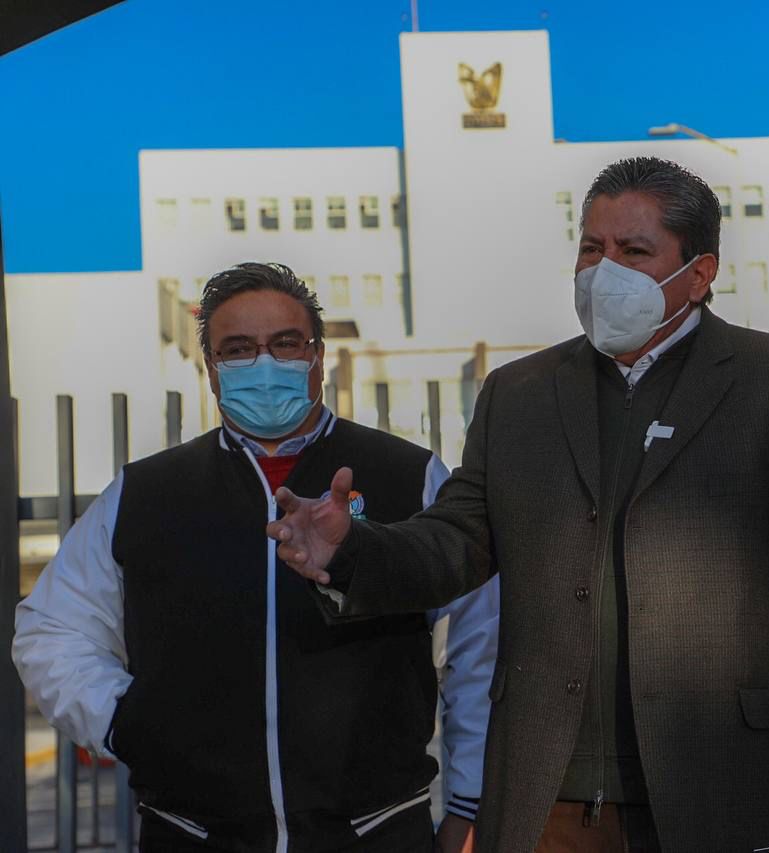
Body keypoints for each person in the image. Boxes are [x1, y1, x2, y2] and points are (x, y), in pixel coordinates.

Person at [268, 157, 769, 853]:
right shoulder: (519, 395)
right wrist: (350, 551)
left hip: (728, 792)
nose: (603, 271)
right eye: (592, 248)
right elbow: (456, 541)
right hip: (547, 800)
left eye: (634, 251)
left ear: (701, 273)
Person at [13, 262, 499, 852]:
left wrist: (470, 802)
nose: (264, 363)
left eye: (285, 343)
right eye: (239, 349)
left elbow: (480, 645)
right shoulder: (145, 494)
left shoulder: (410, 476)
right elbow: (51, 629)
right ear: (211, 368)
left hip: (376, 831)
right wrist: (123, 722)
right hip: (192, 835)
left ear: (317, 356)